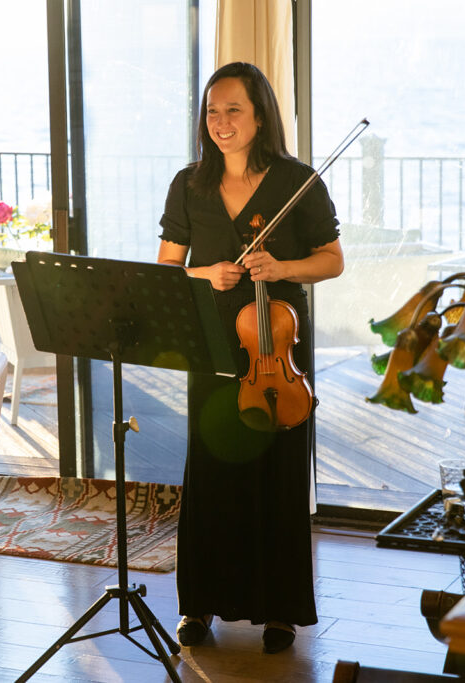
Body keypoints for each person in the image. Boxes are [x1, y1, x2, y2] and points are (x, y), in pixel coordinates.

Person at [157, 62, 344, 654]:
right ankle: (199, 605)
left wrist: (283, 268)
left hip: (276, 347)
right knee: (211, 476)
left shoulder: (298, 180)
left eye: (233, 110)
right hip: (212, 345)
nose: (220, 122)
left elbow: (332, 259)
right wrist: (206, 273)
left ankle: (280, 610)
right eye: (212, 111)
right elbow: (167, 268)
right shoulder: (188, 184)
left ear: (260, 114)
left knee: (276, 476)